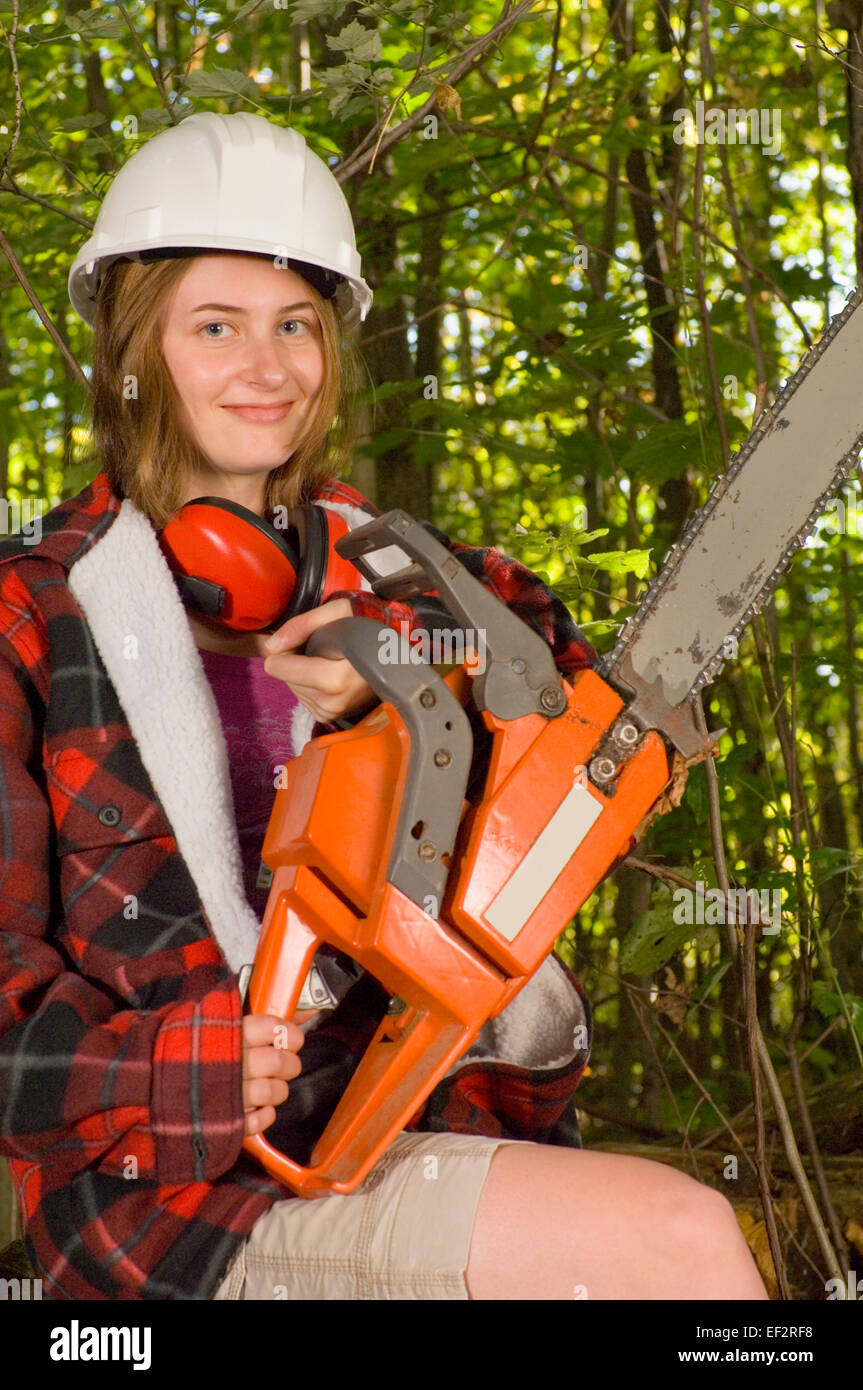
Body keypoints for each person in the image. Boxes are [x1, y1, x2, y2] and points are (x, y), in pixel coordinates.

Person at [0, 112, 769, 1301]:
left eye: (294, 325)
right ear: (132, 353)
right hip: (181, 1202)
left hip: (435, 1129)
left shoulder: (434, 584)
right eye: (216, 326)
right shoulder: (33, 615)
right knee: (677, 1244)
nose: (268, 368)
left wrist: (415, 698)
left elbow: (612, 773)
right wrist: (180, 1070)